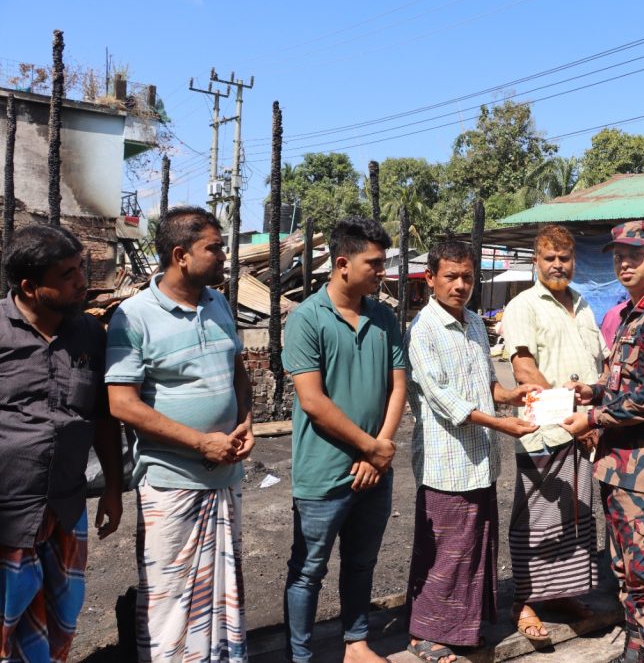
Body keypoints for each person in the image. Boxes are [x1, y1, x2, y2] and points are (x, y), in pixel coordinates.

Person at [107, 207, 253, 663]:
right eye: (214, 247)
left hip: (222, 479)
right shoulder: (134, 316)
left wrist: (245, 421)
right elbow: (122, 404)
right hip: (170, 483)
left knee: (221, 594)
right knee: (170, 598)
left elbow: (237, 369)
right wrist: (199, 442)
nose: (225, 255)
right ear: (180, 255)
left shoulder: (219, 303)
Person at [563, 220, 644, 663]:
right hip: (619, 467)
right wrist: (596, 391)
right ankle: (635, 650)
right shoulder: (630, 316)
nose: (623, 262)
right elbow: (625, 380)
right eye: (618, 255)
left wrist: (592, 416)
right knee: (625, 571)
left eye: (634, 255)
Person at [404, 240, 540, 663]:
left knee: (476, 548)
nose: (460, 285)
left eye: (467, 277)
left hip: (480, 460)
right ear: (430, 279)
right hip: (446, 462)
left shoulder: (476, 324)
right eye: (451, 276)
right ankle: (423, 634)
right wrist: (502, 423)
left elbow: (485, 386)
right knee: (445, 552)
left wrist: (512, 395)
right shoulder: (421, 331)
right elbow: (446, 401)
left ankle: (460, 630)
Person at [282, 217, 406, 663]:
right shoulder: (306, 320)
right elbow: (313, 401)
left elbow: (398, 387)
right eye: (374, 263)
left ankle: (356, 643)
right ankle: (301, 656)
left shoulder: (384, 316)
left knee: (361, 563)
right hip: (323, 470)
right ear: (342, 264)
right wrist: (370, 447)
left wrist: (381, 448)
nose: (381, 272)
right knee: (308, 570)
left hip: (376, 467)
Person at [0, 225, 123, 663]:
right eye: (68, 274)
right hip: (8, 510)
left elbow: (104, 420)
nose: (81, 281)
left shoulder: (90, 335)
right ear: (31, 287)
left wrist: (111, 487)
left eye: (80, 268)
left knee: (60, 624)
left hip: (66, 507)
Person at [500, 225, 605, 641]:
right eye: (550, 258)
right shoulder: (524, 305)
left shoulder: (582, 303)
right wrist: (572, 418)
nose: (558, 265)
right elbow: (525, 369)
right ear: (536, 261)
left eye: (565, 258)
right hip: (547, 433)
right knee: (536, 519)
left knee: (575, 520)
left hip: (585, 431)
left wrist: (593, 417)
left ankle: (562, 595)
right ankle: (523, 601)